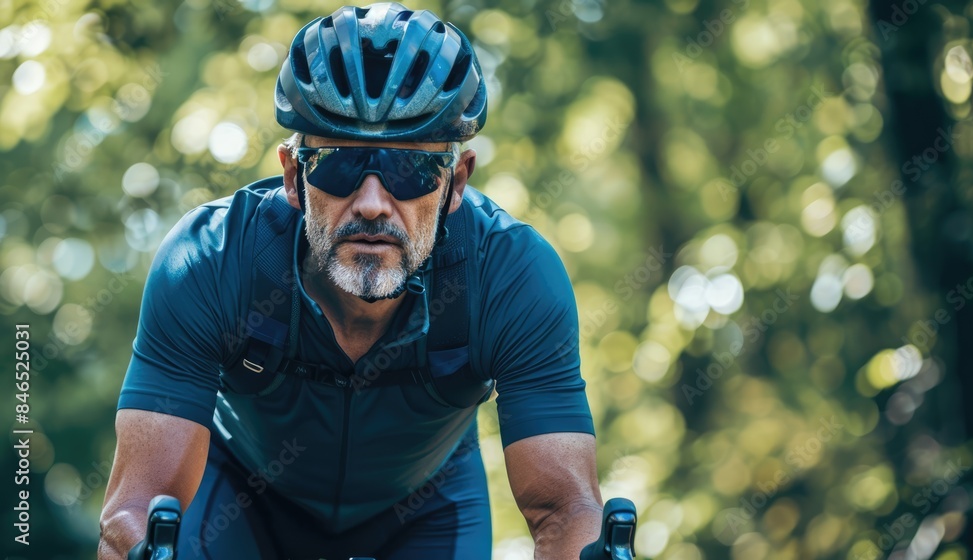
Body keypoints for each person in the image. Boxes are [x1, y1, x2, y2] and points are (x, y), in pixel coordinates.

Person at [99, 3, 603, 559]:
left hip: (425, 513)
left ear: (455, 184)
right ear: (294, 176)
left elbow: (565, 513)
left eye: (409, 170)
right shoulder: (209, 260)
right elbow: (134, 514)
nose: (370, 203)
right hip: (237, 503)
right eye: (340, 165)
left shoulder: (512, 277)